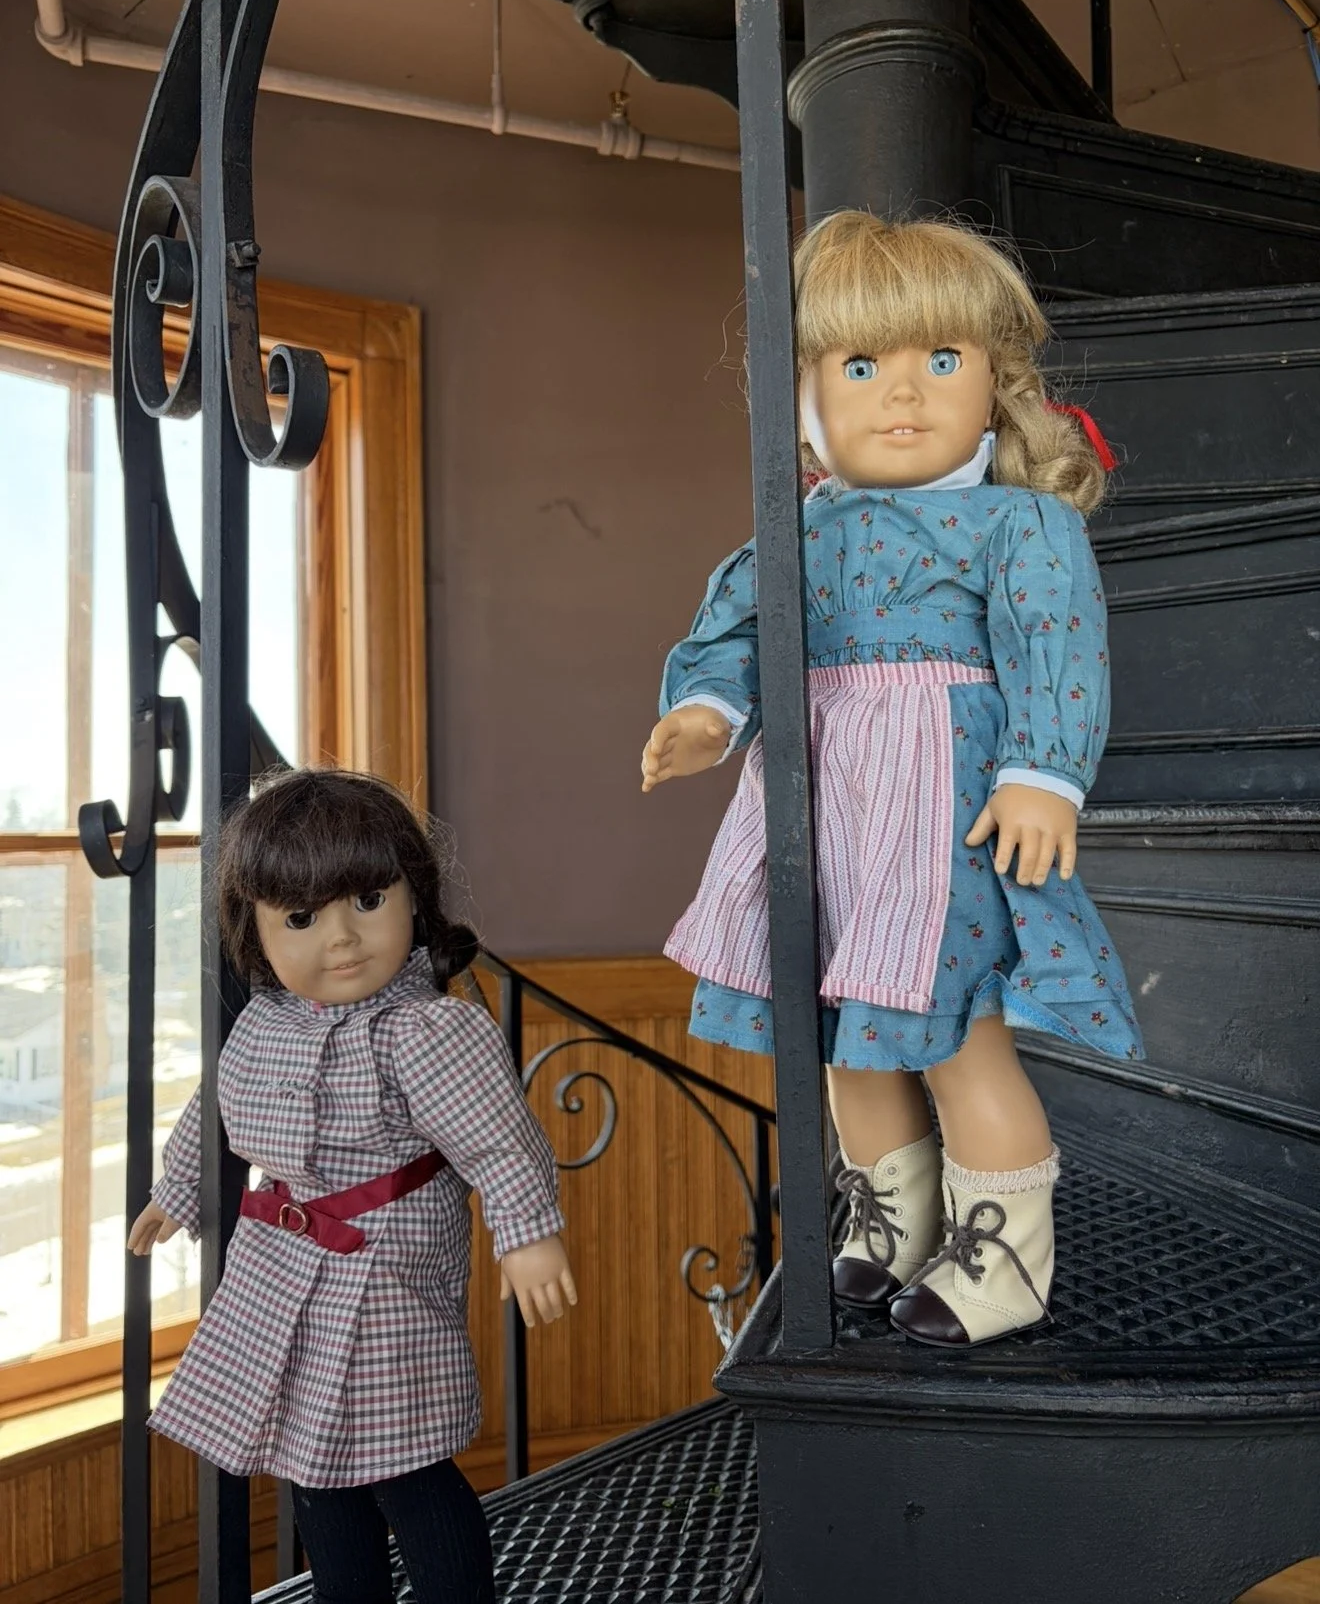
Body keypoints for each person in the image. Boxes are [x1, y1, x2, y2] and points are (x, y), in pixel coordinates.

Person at [641, 211, 1144, 1348]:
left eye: (943, 359)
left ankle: (1004, 1251)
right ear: (806, 396)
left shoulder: (1016, 525)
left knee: (959, 1036)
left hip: (943, 822)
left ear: (995, 381)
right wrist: (706, 714)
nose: (904, 392)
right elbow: (738, 637)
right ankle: (891, 1216)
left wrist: (1042, 775)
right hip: (822, 813)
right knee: (842, 1034)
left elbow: (1057, 647)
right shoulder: (796, 530)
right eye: (862, 365)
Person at [128, 767, 575, 1602]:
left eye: (368, 901)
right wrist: (178, 1186)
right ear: (258, 928)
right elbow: (218, 1105)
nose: (341, 937)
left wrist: (527, 1233)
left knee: (408, 1466)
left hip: (385, 1274)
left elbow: (500, 1143)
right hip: (276, 1274)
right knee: (312, 1463)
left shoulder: (426, 1030)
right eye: (301, 918)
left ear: (413, 895)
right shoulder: (264, 1021)